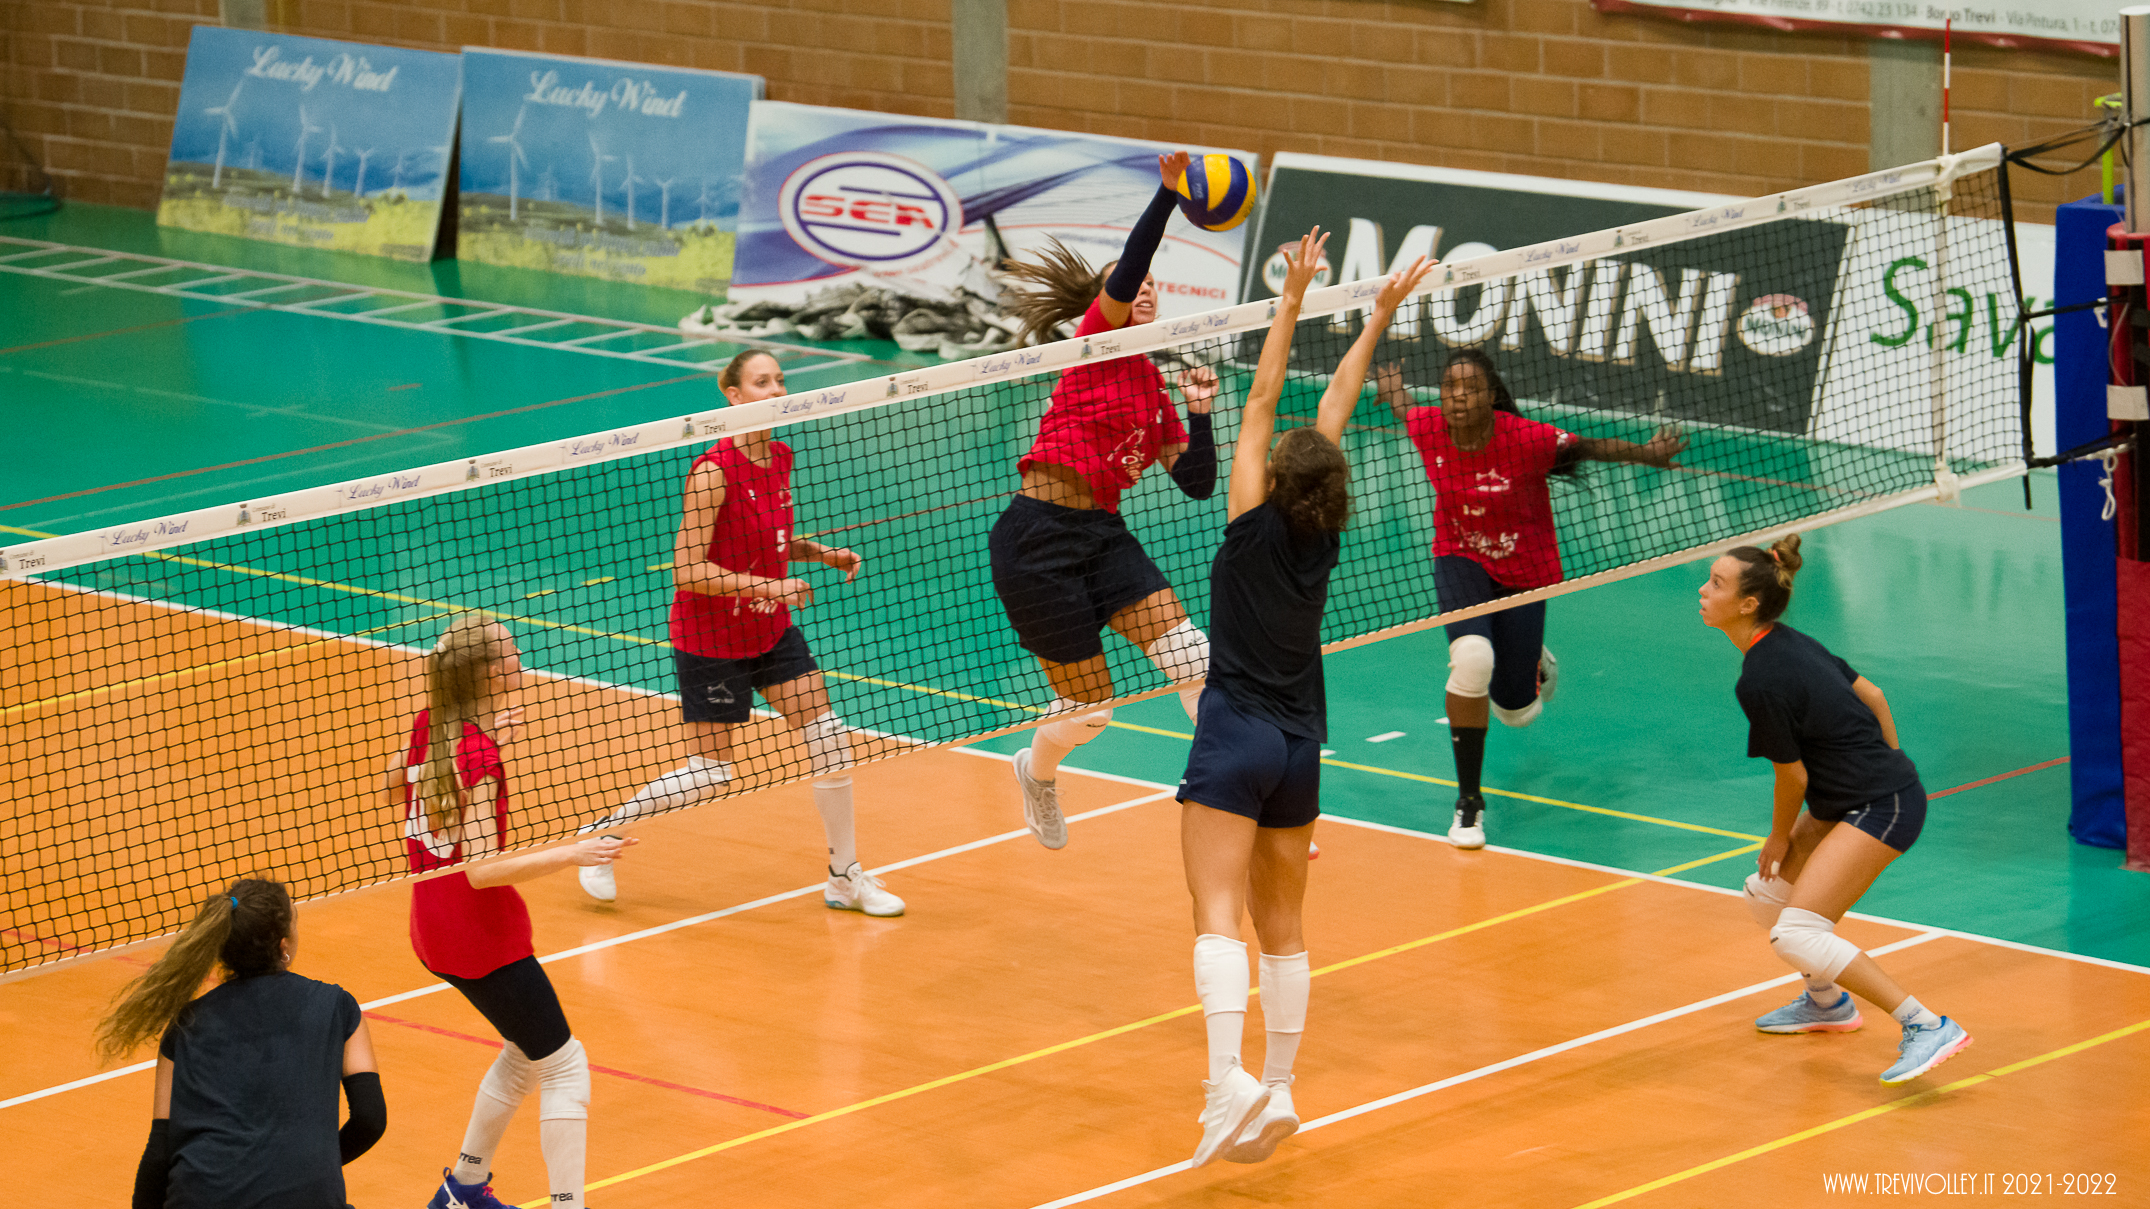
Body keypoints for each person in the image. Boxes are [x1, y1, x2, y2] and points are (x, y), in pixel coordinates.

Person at [1183, 229, 1435, 1168]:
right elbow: (1333, 410)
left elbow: (1262, 399)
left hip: (1235, 727)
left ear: (1273, 480)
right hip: (1300, 742)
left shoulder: (1250, 521)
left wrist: (1289, 299)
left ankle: (1224, 1090)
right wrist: (1377, 320)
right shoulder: (1320, 532)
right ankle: (1279, 1089)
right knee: (1283, 928)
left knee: (1217, 913)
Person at [575, 348, 902, 917]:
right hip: (711, 638)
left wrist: (818, 553)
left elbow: (770, 539)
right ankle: (599, 840)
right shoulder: (712, 472)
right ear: (733, 396)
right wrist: (769, 588)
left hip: (769, 630)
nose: (776, 390)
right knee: (710, 773)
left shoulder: (780, 456)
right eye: (761, 382)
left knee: (828, 737)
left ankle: (844, 877)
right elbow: (686, 569)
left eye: (779, 380)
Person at [993, 150, 1221, 849]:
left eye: (1155, 285)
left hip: (1104, 537)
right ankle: (1035, 768)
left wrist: (1204, 414)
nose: (1145, 289)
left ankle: (1227, 786)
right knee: (1091, 711)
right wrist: (1168, 194)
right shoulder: (1097, 342)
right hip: (1036, 541)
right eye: (1134, 285)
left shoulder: (1157, 388)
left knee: (1194, 657)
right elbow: (1130, 260)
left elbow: (1196, 483)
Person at [1379, 350, 1684, 849]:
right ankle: (1470, 803)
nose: (1458, 394)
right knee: (1473, 659)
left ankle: (1532, 667)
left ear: (1490, 395)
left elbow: (1591, 448)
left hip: (1526, 570)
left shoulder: (1525, 439)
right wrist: (1390, 384)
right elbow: (1403, 406)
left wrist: (1647, 455)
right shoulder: (1429, 426)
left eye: (1470, 387)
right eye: (1450, 384)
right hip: (1461, 559)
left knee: (1516, 710)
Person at [1699, 534, 1973, 1085]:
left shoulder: (1761, 678)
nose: (1703, 591)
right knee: (1768, 897)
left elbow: (1792, 775)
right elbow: (1874, 696)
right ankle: (1826, 1005)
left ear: (1748, 605)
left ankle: (1926, 1025)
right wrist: (1891, 757)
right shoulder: (1787, 641)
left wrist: (1781, 836)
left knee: (1796, 932)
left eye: (1717, 584)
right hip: (1854, 798)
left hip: (1879, 805)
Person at [390, 613, 637, 1209]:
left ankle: (465, 1189)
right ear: (491, 673)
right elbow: (482, 869)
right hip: (484, 942)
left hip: (434, 931)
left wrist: (481, 751)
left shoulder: (434, 727)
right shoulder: (479, 758)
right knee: (565, 1066)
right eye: (512, 652)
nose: (521, 658)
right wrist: (576, 852)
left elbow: (394, 782)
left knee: (527, 1054)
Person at [95, 877, 385, 1209]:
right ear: (283, 946)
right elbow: (370, 1119)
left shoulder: (183, 1026)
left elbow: (159, 1152)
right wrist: (307, 1168)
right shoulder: (337, 1006)